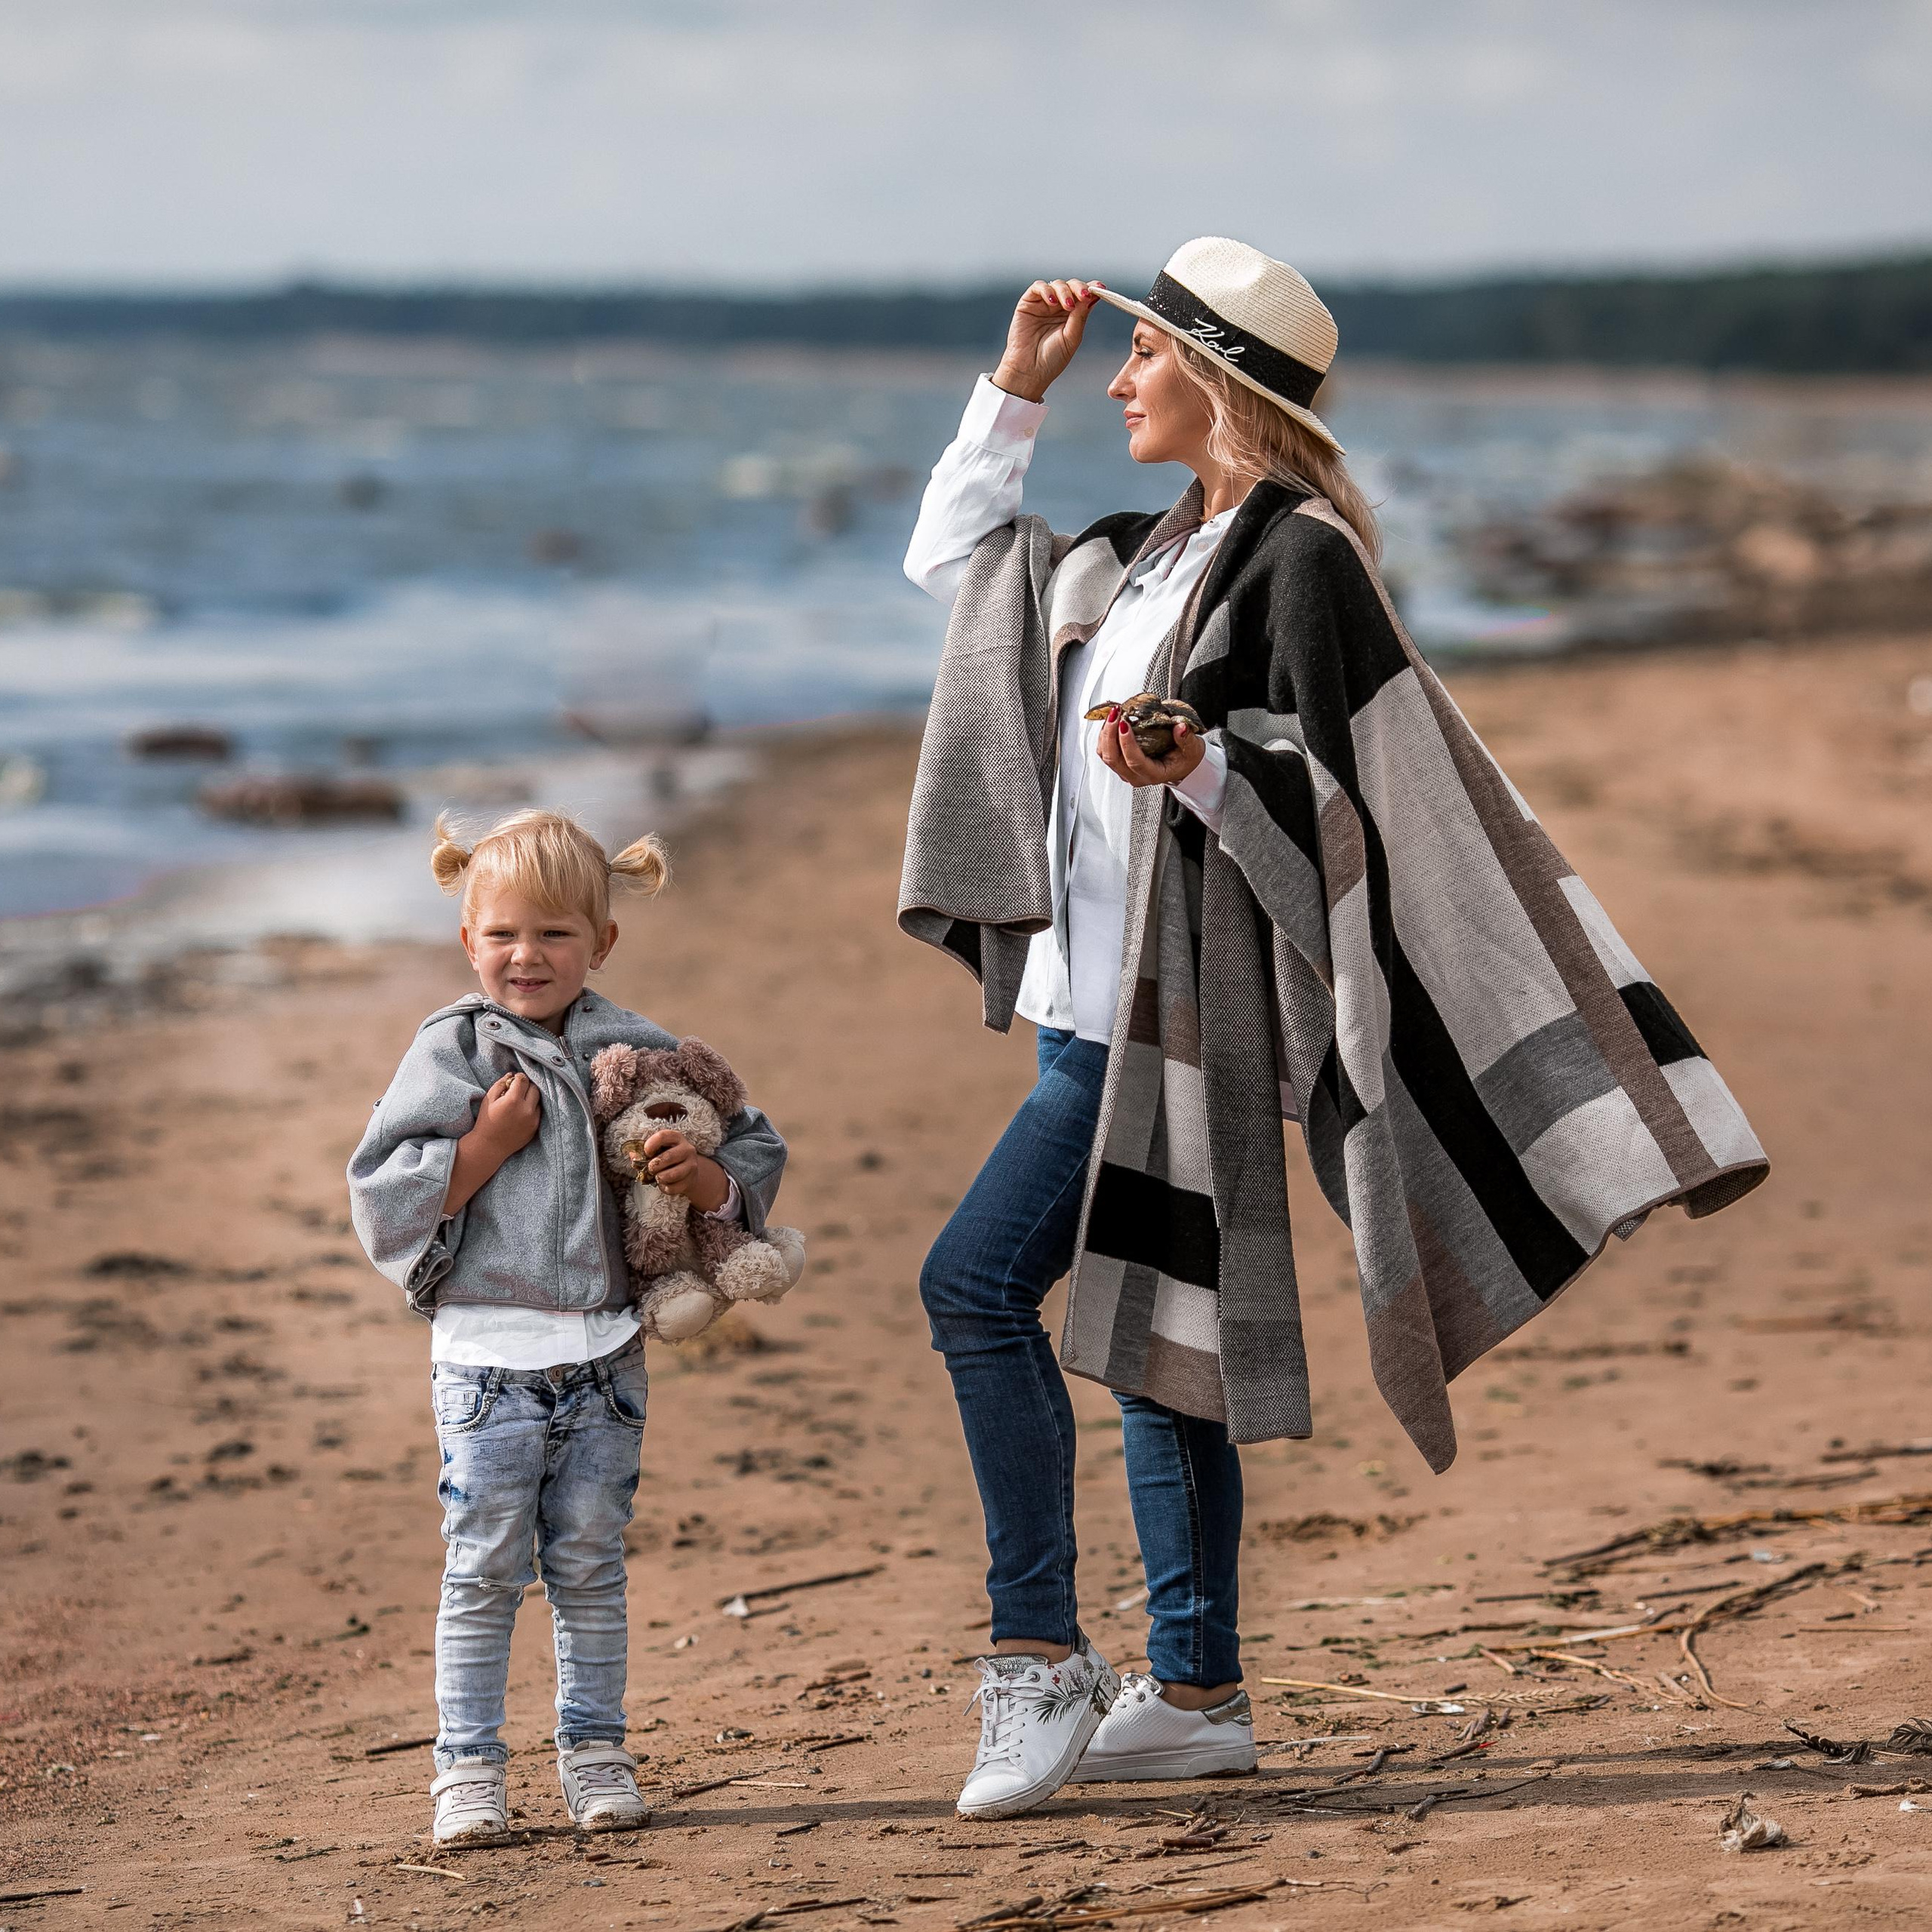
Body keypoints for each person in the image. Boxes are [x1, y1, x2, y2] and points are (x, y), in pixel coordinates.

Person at [900, 238, 1766, 1820]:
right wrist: (1005, 396)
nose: (1118, 379)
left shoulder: (1300, 559)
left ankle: (1034, 1656)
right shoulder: (1145, 550)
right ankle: (1200, 1690)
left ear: (1213, 376)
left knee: (970, 1289)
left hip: (1181, 1011)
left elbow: (1362, 795)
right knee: (1154, 1344)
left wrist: (1204, 766)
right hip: (1087, 1008)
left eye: (1141, 356)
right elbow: (959, 571)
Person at [348, 809, 789, 1846]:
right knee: (482, 1565)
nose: (526, 955)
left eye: (554, 934)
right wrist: (485, 1146)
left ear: (602, 942)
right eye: (502, 934)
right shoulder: (449, 1051)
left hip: (604, 1359)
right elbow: (380, 1191)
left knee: (590, 1563)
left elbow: (753, 1146)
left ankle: (596, 1753)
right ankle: (467, 1769)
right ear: (468, 942)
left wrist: (706, 1177)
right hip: (485, 1364)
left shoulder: (631, 1047)